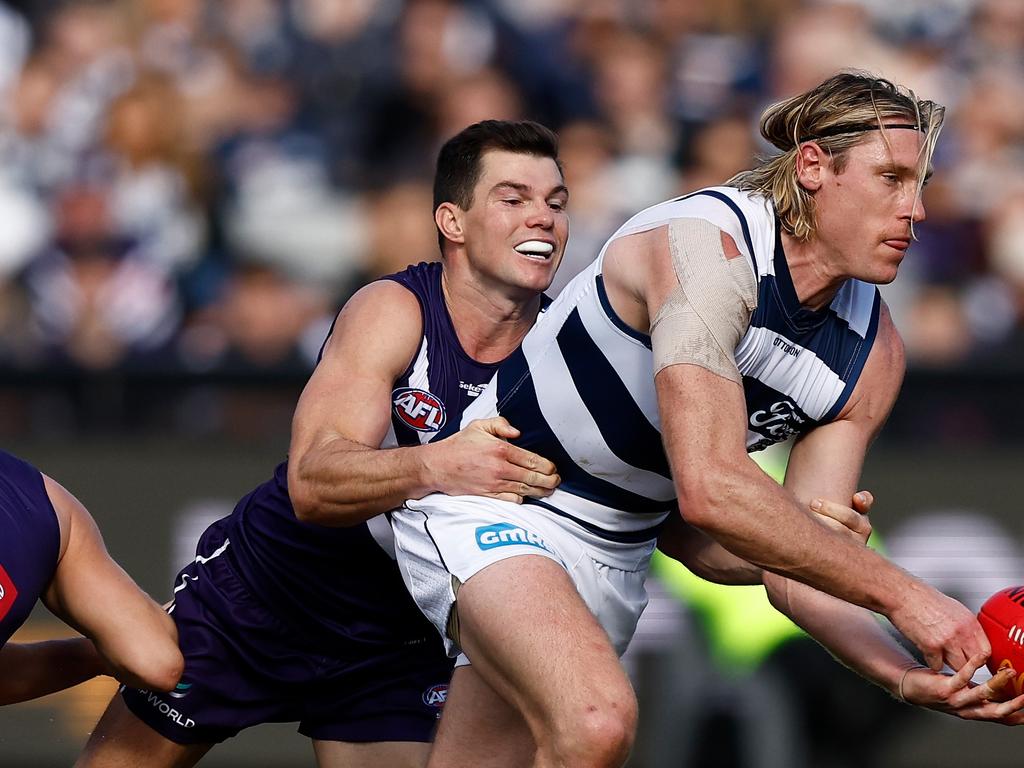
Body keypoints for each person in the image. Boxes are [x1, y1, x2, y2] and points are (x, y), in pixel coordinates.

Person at [388, 72, 1024, 768]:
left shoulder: (875, 356)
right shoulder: (706, 246)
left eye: (921, 184)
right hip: (503, 501)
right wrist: (909, 597)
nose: (918, 210)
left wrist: (901, 673)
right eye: (893, 179)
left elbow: (791, 571)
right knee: (597, 722)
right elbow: (710, 489)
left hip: (614, 556)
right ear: (813, 167)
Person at [75, 120, 566, 768]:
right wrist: (440, 463)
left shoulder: (566, 350)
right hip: (263, 596)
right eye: (514, 198)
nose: (544, 217)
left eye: (556, 203)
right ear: (452, 220)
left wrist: (744, 541)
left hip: (396, 634)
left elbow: (657, 502)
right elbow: (312, 484)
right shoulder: (394, 310)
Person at [0, 450, 182, 706]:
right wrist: (96, 656)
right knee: (154, 661)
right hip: (38, 500)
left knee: (155, 663)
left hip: (36, 509)